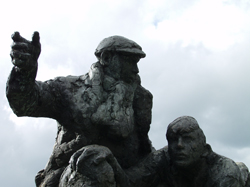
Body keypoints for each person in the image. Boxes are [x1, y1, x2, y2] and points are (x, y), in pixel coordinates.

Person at [7, 32, 153, 187]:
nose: (136, 70)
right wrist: (25, 71)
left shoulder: (141, 97)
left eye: (136, 63)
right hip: (77, 175)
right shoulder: (69, 89)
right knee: (95, 164)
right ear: (106, 58)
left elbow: (143, 147)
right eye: (130, 62)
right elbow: (25, 104)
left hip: (128, 176)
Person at [124, 116, 247, 187]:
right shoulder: (164, 157)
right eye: (173, 140)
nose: (179, 145)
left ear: (204, 149)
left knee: (239, 169)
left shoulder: (224, 172)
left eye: (188, 139)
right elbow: (128, 181)